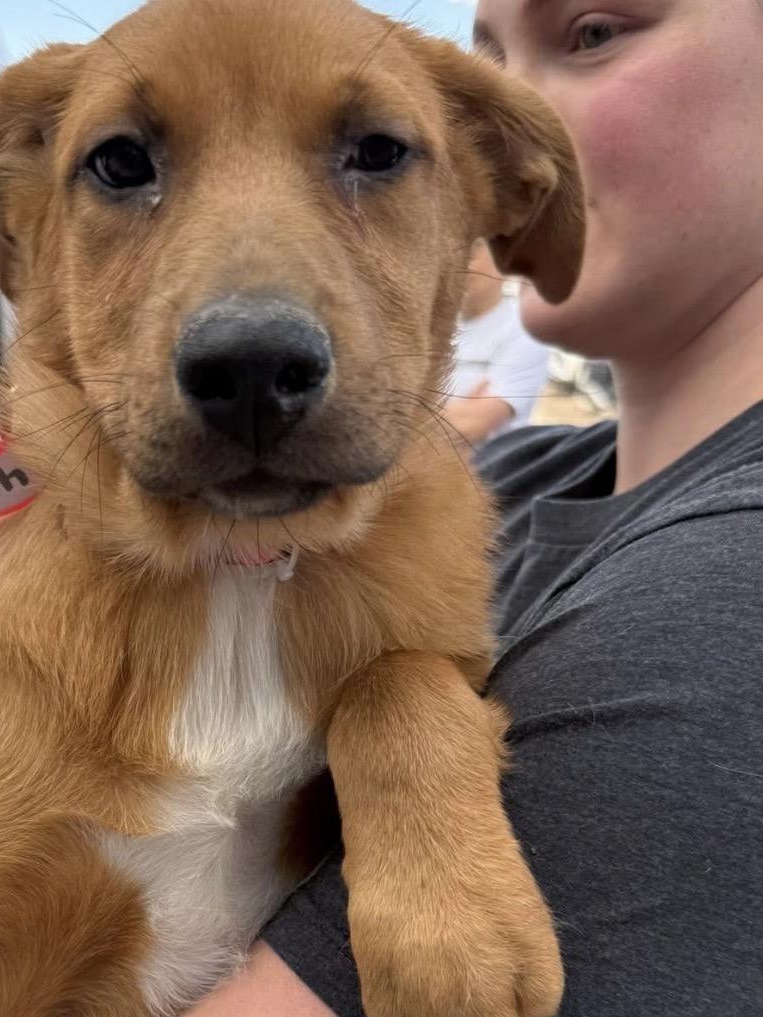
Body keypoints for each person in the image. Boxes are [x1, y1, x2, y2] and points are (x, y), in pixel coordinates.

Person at [188, 0, 763, 1014]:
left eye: (593, 32)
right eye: (484, 52)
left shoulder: (723, 603)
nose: (491, 107)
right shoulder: (516, 478)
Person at [445, 241, 550, 443]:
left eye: (474, 249)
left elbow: (469, 427)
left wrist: (422, 417)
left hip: (492, 470)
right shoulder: (437, 326)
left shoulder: (525, 330)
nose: (460, 262)